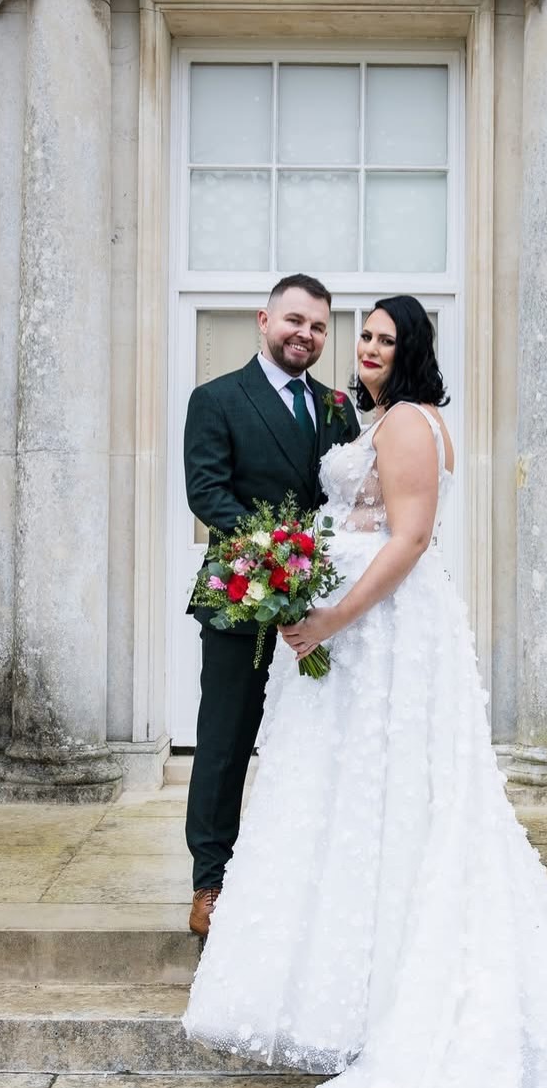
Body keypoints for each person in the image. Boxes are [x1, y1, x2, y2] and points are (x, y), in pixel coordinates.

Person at [184, 294, 547, 1088]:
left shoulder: (405, 420)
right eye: (362, 335)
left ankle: (385, 979)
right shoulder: (353, 415)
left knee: (386, 786)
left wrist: (329, 614)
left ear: (409, 349)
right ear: (271, 323)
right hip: (319, 621)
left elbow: (407, 536)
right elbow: (263, 498)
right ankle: (286, 939)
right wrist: (293, 576)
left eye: (383, 337)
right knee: (323, 783)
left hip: (368, 626)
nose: (365, 346)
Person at [182, 273, 360, 939]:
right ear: (263, 319)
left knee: (312, 742)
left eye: (317, 326)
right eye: (293, 320)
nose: (304, 334)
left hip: (316, 607)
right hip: (238, 596)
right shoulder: (216, 398)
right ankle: (209, 883)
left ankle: (305, 880)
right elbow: (207, 493)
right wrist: (277, 552)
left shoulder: (336, 406)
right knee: (224, 744)